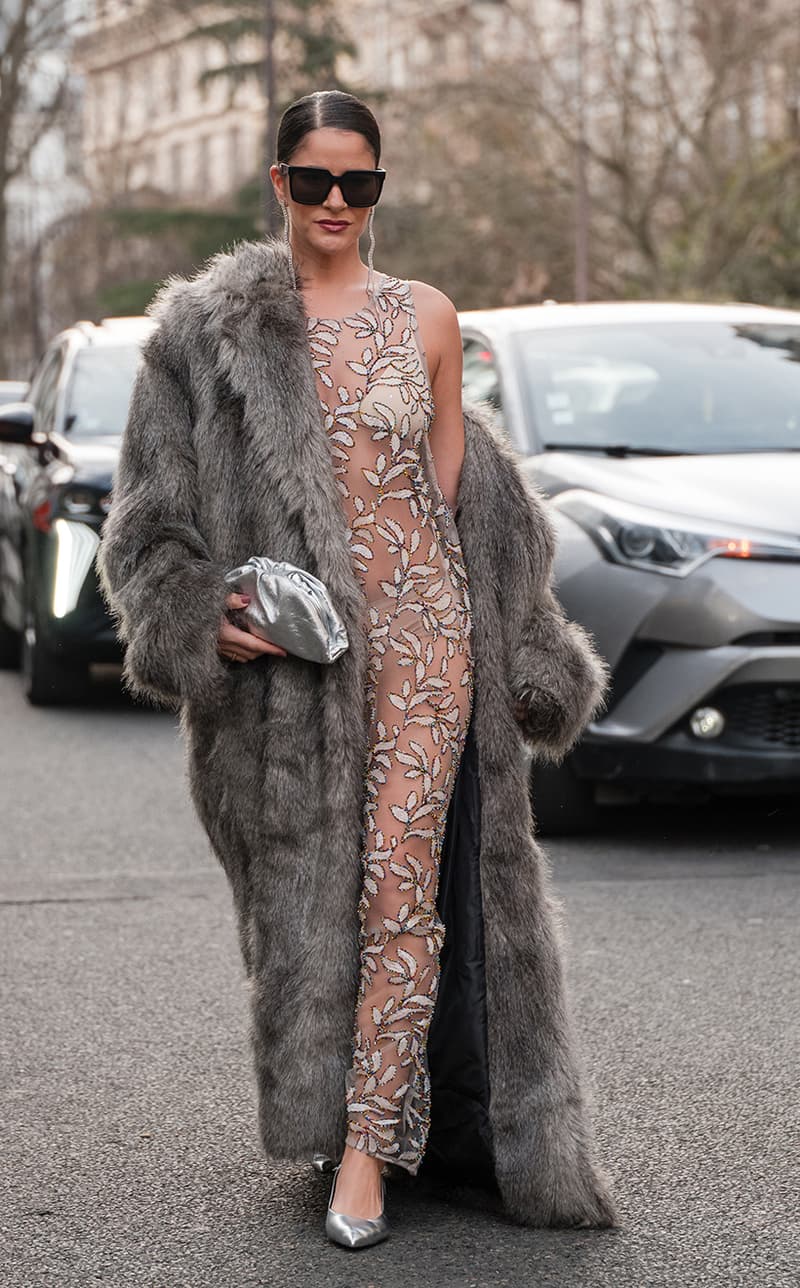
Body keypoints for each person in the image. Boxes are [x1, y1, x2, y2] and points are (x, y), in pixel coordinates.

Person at [98, 90, 617, 1250]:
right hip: (299, 675)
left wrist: (519, 640)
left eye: (361, 182)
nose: (339, 202)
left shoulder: (428, 316)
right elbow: (145, 522)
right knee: (311, 907)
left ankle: (371, 1155)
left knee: (399, 895)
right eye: (317, 180)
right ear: (277, 184)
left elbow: (463, 505)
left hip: (430, 646)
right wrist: (197, 614)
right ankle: (350, 1111)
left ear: (379, 189)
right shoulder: (200, 335)